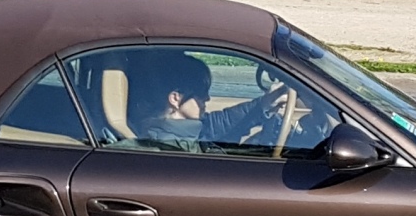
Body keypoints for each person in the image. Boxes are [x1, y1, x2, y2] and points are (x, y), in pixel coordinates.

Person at [126, 51, 314, 152]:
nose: (207, 98)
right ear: (175, 98)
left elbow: (219, 123)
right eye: (200, 93)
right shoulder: (171, 145)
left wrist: (264, 104)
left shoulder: (185, 129)